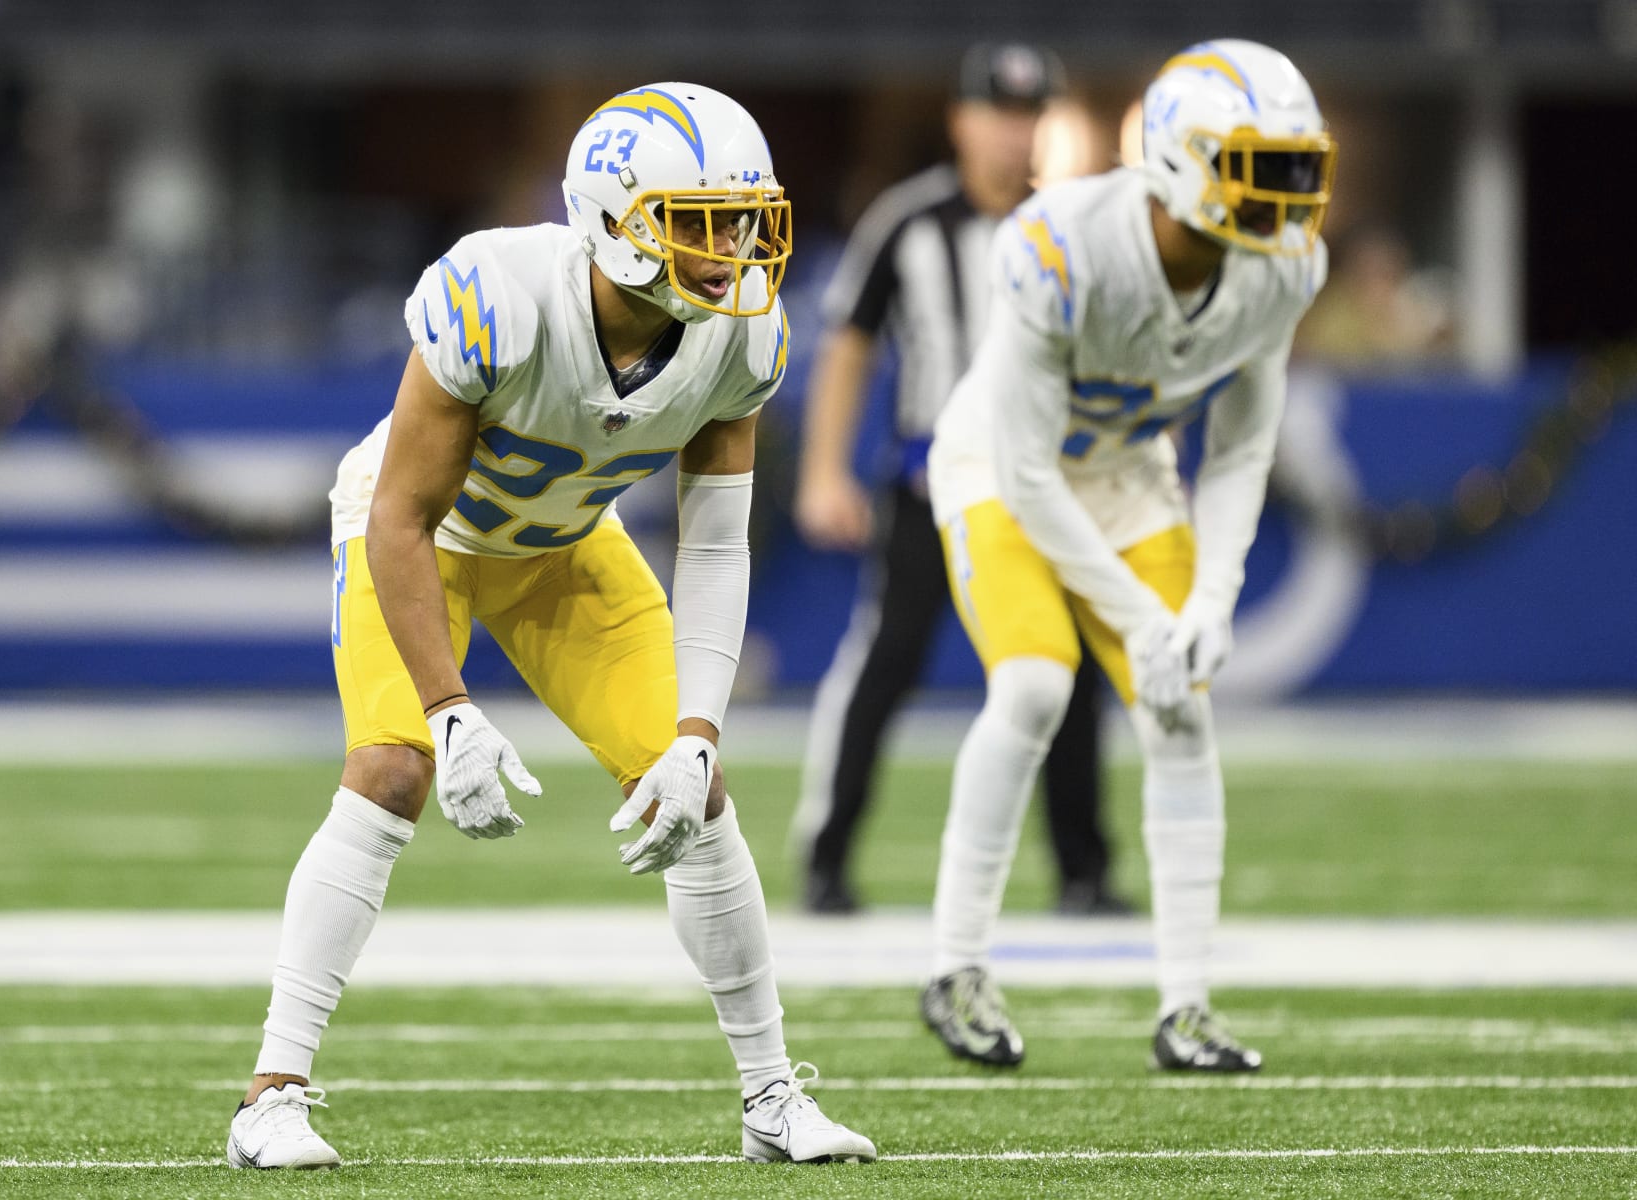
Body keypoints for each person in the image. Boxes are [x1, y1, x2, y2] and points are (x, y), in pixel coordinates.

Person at [226, 83, 875, 1169]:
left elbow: (717, 544)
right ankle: (272, 1096)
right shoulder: (498, 293)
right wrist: (449, 712)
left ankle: (772, 1099)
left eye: (743, 217)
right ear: (617, 221)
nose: (735, 248)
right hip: (424, 541)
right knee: (390, 772)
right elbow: (399, 513)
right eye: (702, 221)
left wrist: (699, 731)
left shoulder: (742, 337)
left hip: (565, 546)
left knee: (695, 794)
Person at [918, 40, 1335, 1071]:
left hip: (1125, 474)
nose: (1288, 195)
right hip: (1000, 463)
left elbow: (1242, 446)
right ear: (1187, 160)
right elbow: (1021, 473)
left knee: (1181, 709)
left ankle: (1186, 1005)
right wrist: (1147, 614)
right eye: (1262, 165)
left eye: (1297, 166)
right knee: (1030, 690)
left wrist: (1212, 604)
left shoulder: (1281, 269)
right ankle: (955, 964)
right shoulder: (1062, 243)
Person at [793, 42, 1129, 918]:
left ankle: (1084, 872)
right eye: (999, 113)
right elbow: (849, 343)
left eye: (1030, 115)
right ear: (960, 120)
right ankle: (825, 858)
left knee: (1067, 672)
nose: (1015, 134)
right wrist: (825, 469)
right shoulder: (906, 223)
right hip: (928, 487)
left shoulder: (1066, 227)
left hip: (1039, 489)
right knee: (885, 665)